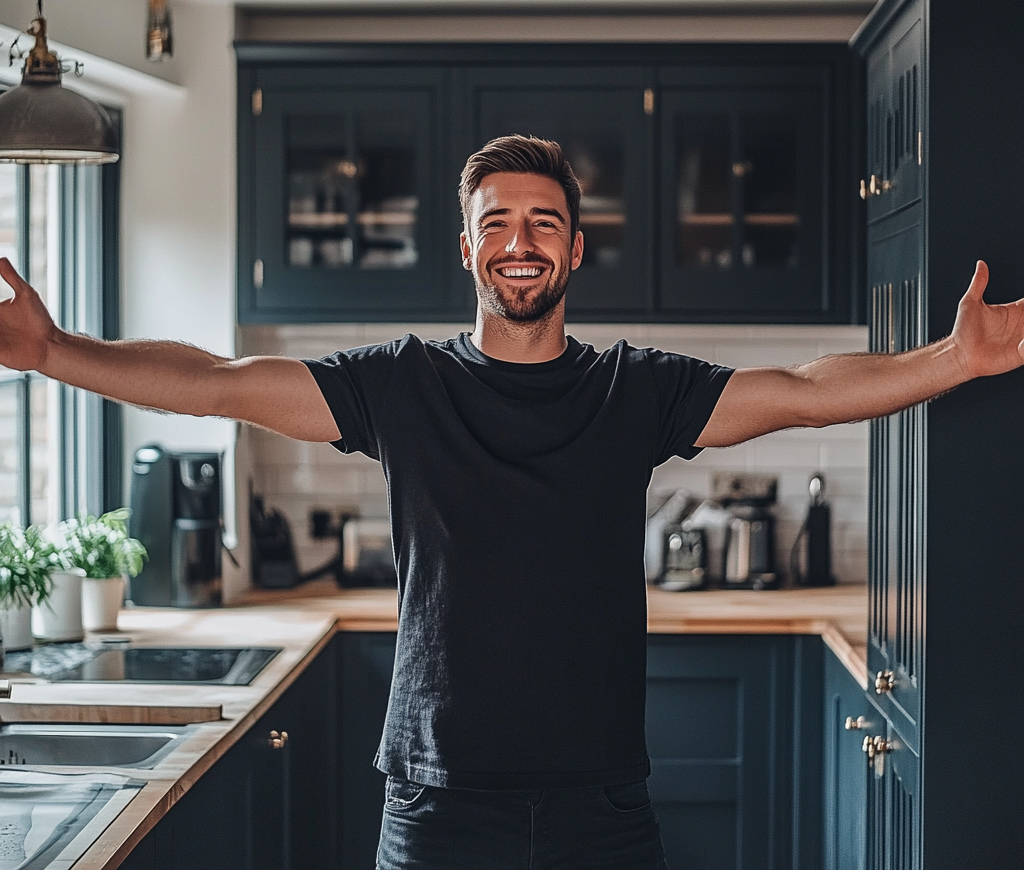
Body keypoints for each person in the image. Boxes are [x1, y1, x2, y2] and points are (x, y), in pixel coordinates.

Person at [0, 134, 1022, 870]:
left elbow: (802, 393)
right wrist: (54, 354)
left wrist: (952, 358)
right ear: (466, 248)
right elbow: (221, 380)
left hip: (603, 804)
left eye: (543, 222)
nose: (519, 241)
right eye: (496, 223)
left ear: (576, 248)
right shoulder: (397, 384)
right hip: (437, 801)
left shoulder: (635, 388)